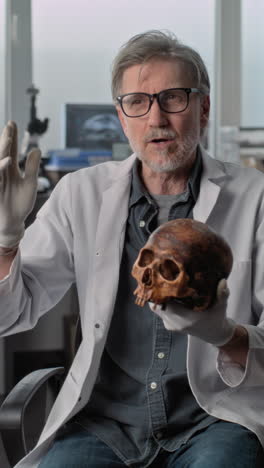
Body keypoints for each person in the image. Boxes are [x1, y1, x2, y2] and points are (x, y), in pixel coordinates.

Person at [0, 30, 264, 468]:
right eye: (137, 102)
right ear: (122, 118)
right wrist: (7, 241)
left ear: (204, 108)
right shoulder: (80, 194)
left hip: (215, 420)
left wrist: (224, 334)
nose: (156, 118)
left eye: (173, 98)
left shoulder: (256, 198)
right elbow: (10, 315)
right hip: (103, 424)